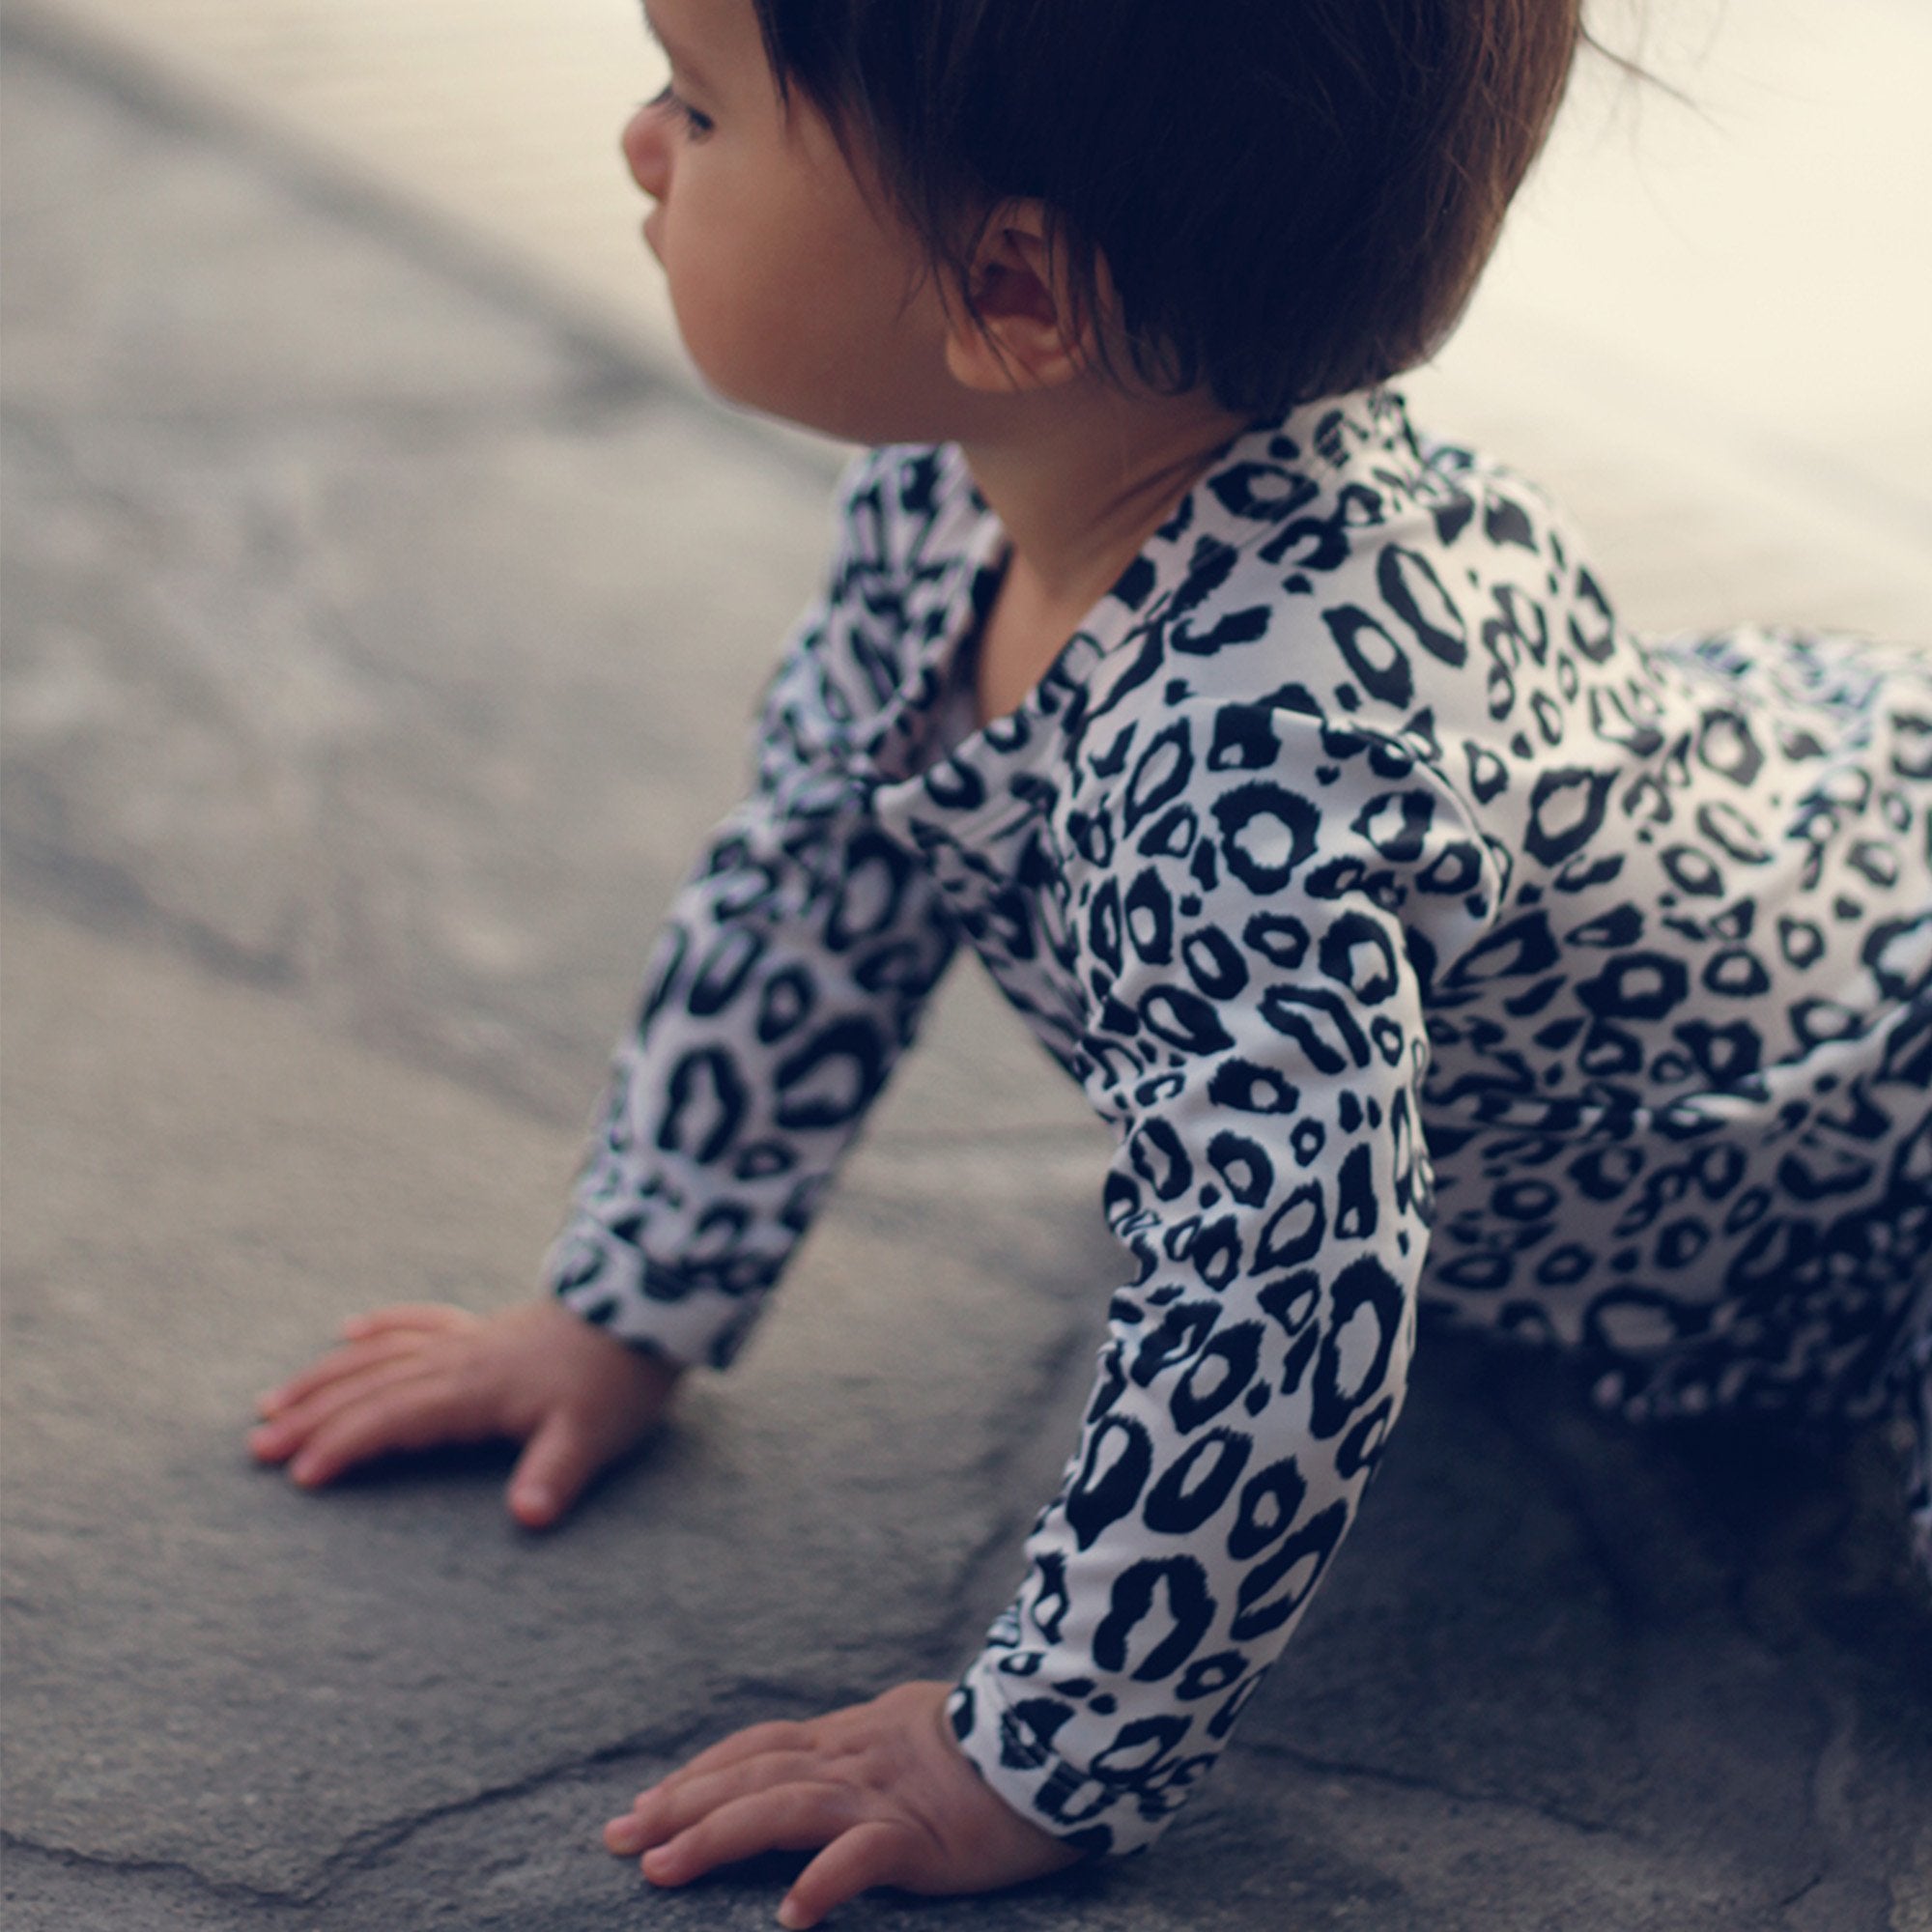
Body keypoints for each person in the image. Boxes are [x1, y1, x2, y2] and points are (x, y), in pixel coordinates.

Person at [249, 0, 1932, 1922]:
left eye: (699, 107)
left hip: (1864, 1139)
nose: (638, 142)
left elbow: (1278, 1301)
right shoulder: (948, 490)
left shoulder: (1258, 757)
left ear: (1016, 287)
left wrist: (1033, 1744)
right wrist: (626, 1294)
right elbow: (813, 877)